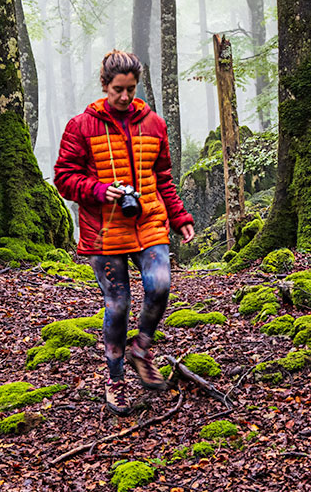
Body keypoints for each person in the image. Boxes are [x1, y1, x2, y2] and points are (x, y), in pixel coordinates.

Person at [54, 50, 195, 416]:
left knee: (160, 285)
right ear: (104, 85)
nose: (125, 97)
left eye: (131, 89)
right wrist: (100, 191)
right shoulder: (80, 126)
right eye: (118, 89)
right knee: (118, 306)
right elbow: (64, 179)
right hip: (105, 231)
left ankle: (141, 349)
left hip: (149, 222)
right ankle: (114, 381)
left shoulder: (154, 124)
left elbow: (162, 178)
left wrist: (179, 218)